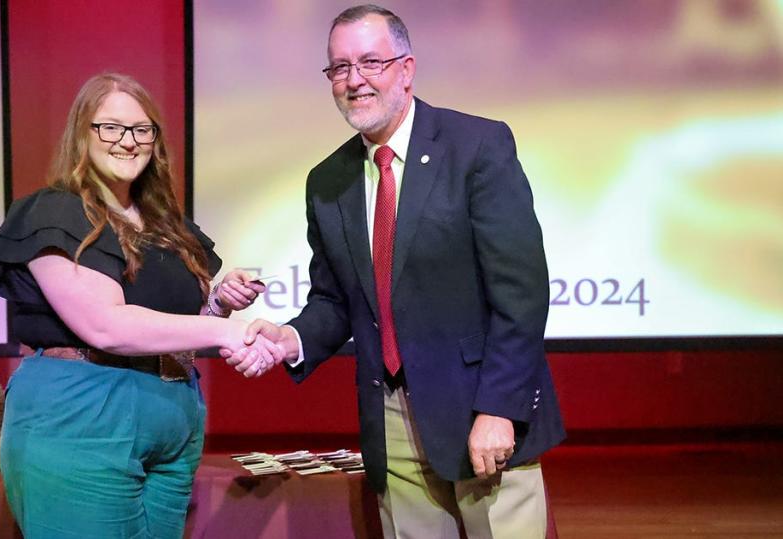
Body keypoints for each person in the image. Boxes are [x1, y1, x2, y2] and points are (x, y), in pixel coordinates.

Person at [229, 5, 565, 538]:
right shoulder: (328, 180)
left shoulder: (476, 147)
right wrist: (289, 337)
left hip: (483, 412)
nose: (354, 80)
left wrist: (501, 408)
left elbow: (521, 294)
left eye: (370, 62)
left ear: (406, 69)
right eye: (339, 68)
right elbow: (336, 301)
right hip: (391, 422)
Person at [0, 72, 278, 539]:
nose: (128, 141)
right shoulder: (53, 212)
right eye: (111, 127)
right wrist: (226, 333)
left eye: (142, 129)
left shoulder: (166, 225)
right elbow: (107, 327)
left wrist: (219, 303)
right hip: (83, 420)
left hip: (173, 423)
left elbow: (177, 328)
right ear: (83, 133)